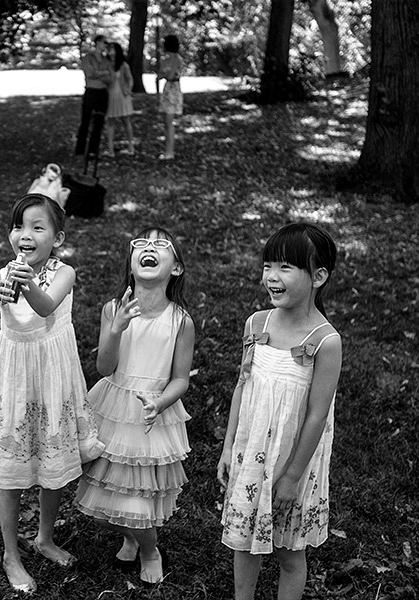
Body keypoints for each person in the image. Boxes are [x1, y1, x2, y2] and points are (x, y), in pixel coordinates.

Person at [0, 193, 104, 594]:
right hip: (14, 378)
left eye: (37, 227)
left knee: (52, 462)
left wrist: (26, 283)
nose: (24, 234)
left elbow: (46, 308)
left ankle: (44, 537)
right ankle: (11, 553)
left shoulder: (65, 273)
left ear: (57, 238)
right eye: (18, 226)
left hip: (52, 378)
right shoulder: (0, 276)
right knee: (10, 473)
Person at [217, 223, 342, 600]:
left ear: (318, 276)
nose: (272, 276)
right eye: (268, 265)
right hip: (252, 450)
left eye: (286, 267)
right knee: (242, 541)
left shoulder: (325, 341)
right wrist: (227, 447)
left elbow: (318, 416)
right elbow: (243, 385)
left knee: (289, 550)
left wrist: (290, 477)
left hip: (294, 461)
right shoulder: (256, 324)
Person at [75, 227, 195, 585]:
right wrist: (117, 328)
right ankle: (129, 534)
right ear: (131, 264)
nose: (149, 248)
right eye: (141, 244)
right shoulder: (113, 309)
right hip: (113, 407)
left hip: (150, 416)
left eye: (161, 245)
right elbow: (104, 367)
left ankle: (149, 549)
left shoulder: (180, 321)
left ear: (176, 268)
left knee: (137, 503)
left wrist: (159, 403)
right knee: (102, 506)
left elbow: (181, 379)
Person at [75, 34, 113, 158]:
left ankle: (93, 150)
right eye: (104, 42)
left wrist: (100, 74)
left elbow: (110, 77)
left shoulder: (106, 60)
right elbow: (90, 73)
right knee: (85, 121)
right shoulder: (88, 58)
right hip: (91, 91)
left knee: (99, 122)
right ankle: (80, 150)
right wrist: (103, 73)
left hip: (103, 93)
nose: (105, 45)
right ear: (97, 43)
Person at [103, 43, 135, 157]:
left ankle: (131, 147)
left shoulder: (123, 65)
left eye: (112, 49)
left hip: (122, 95)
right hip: (110, 96)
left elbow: (130, 78)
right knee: (110, 122)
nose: (110, 51)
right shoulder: (105, 64)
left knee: (126, 121)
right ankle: (110, 150)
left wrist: (128, 89)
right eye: (109, 49)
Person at [156, 35, 184, 161]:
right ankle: (167, 150)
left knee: (169, 122)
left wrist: (163, 75)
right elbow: (162, 73)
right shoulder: (166, 59)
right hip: (168, 89)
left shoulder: (177, 59)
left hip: (173, 90)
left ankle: (170, 151)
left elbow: (170, 75)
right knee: (166, 123)